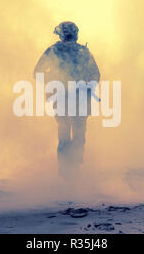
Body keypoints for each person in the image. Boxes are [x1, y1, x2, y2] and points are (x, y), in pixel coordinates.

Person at [34, 21, 100, 180]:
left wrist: (55, 82)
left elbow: (37, 73)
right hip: (74, 99)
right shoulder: (82, 52)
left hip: (68, 98)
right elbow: (95, 75)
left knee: (66, 134)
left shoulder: (54, 51)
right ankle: (71, 168)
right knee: (76, 133)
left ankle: (68, 170)